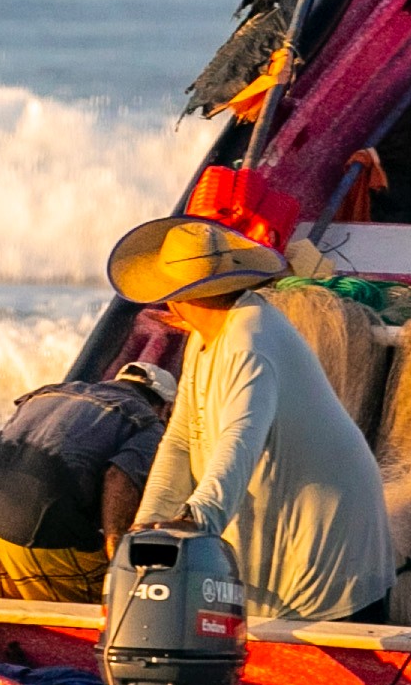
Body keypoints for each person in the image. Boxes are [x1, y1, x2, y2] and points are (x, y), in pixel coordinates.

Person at [103, 214, 395, 627]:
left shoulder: (249, 342)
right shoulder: (205, 338)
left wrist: (197, 519)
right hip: (279, 523)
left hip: (330, 539)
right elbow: (181, 440)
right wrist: (142, 532)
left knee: (313, 624)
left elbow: (240, 437)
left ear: (173, 298)